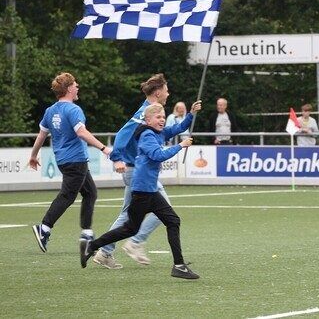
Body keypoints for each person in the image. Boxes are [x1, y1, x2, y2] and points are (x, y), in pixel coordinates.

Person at [81, 102, 201, 279]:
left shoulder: (159, 132)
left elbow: (179, 127)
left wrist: (191, 114)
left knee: (172, 221)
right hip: (143, 190)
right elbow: (157, 155)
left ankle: (179, 266)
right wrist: (180, 146)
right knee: (130, 229)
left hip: (149, 190)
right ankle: (92, 246)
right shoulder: (146, 135)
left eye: (162, 117)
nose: (161, 120)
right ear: (147, 120)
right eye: (157, 117)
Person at [94, 73, 175, 269]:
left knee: (127, 214)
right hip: (138, 172)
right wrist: (116, 157)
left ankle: (104, 252)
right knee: (165, 211)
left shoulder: (147, 112)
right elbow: (122, 134)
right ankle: (136, 242)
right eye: (166, 90)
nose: (168, 93)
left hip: (134, 171)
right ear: (157, 93)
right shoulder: (142, 115)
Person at [30, 72, 112, 253]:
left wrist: (33, 155)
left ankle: (87, 233)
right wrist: (104, 148)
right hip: (76, 160)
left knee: (90, 193)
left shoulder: (50, 111)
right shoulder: (74, 110)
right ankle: (44, 228)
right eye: (75, 84)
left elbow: (41, 135)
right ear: (68, 89)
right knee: (67, 196)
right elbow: (81, 132)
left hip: (64, 160)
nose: (77, 87)